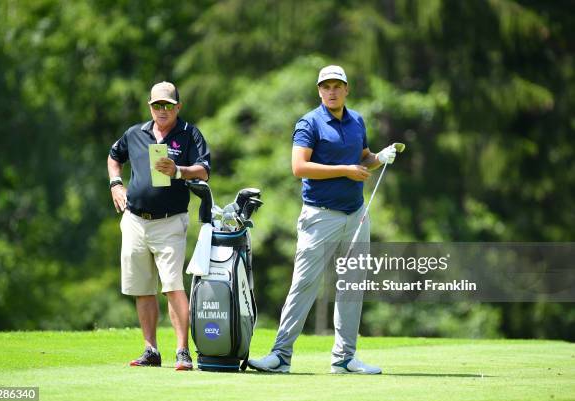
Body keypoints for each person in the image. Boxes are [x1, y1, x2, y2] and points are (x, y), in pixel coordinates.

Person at [248, 65, 397, 374]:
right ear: (319, 91)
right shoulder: (310, 122)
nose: (331, 91)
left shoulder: (357, 121)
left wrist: (379, 157)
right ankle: (280, 356)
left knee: (352, 285)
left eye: (337, 86)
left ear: (346, 89)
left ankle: (344, 358)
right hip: (320, 216)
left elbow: (363, 158)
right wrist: (345, 169)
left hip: (355, 215)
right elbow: (299, 167)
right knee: (304, 284)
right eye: (326, 86)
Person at [107, 81, 211, 370]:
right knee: (143, 287)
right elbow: (114, 157)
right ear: (150, 107)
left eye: (168, 105)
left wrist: (179, 171)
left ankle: (182, 351)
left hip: (170, 221)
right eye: (157, 105)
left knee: (173, 285)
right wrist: (116, 184)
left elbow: (204, 169)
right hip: (135, 220)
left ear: (178, 106)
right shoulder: (135, 134)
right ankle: (151, 349)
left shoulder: (189, 134)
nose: (162, 110)